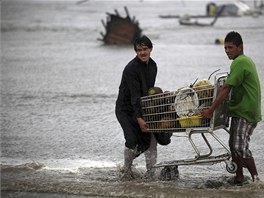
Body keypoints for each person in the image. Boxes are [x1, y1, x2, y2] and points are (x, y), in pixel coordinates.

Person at [202, 31, 261, 185]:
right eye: (225, 48)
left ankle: (256, 180)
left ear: (240, 48)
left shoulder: (240, 62)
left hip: (245, 111)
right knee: (233, 144)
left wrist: (211, 110)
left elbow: (226, 88)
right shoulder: (242, 61)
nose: (227, 51)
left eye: (230, 47)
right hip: (240, 109)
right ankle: (239, 177)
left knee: (239, 147)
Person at [115, 35, 177, 180]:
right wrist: (139, 119)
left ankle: (150, 174)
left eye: (145, 49)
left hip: (142, 106)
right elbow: (135, 96)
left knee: (151, 139)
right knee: (132, 141)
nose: (142, 53)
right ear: (136, 52)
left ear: (151, 49)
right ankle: (126, 170)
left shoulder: (153, 66)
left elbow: (148, 92)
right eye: (139, 50)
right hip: (125, 109)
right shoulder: (131, 69)